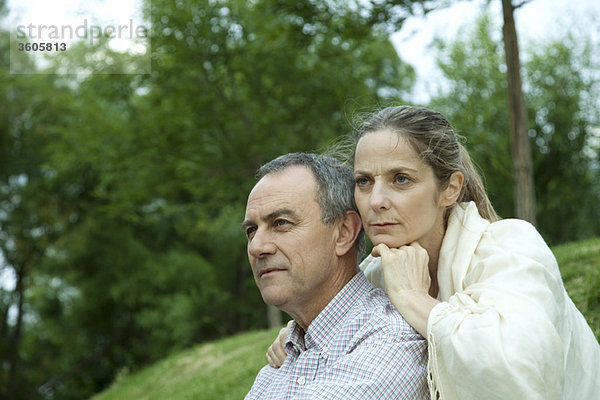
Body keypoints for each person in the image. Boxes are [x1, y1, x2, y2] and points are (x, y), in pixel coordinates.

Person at [266, 106, 600, 399]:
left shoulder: (509, 247)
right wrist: (299, 337)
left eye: (400, 179)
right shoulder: (374, 272)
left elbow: (518, 373)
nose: (376, 200)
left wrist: (413, 298)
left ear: (450, 189)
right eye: (364, 181)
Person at [242, 152, 429, 399]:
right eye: (252, 230)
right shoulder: (279, 363)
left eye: (281, 223)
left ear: (343, 232)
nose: (257, 247)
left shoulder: (393, 342)